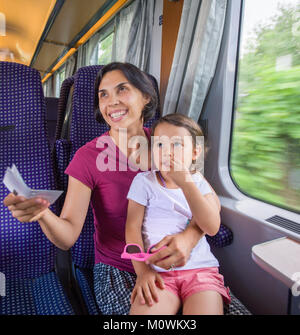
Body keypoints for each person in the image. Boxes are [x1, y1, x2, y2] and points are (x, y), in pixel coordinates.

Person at [3, 62, 221, 315]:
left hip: (190, 261)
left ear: (146, 97)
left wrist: (189, 237)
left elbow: (209, 198)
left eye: (122, 90)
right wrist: (43, 215)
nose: (111, 102)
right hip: (120, 265)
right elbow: (68, 237)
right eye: (103, 94)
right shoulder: (87, 157)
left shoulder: (167, 139)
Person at [125, 113, 231, 315]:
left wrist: (186, 183)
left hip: (201, 272)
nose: (166, 152)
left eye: (176, 144)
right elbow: (131, 229)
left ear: (195, 152)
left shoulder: (198, 182)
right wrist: (142, 272)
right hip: (158, 272)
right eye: (160, 145)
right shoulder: (143, 182)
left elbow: (211, 227)